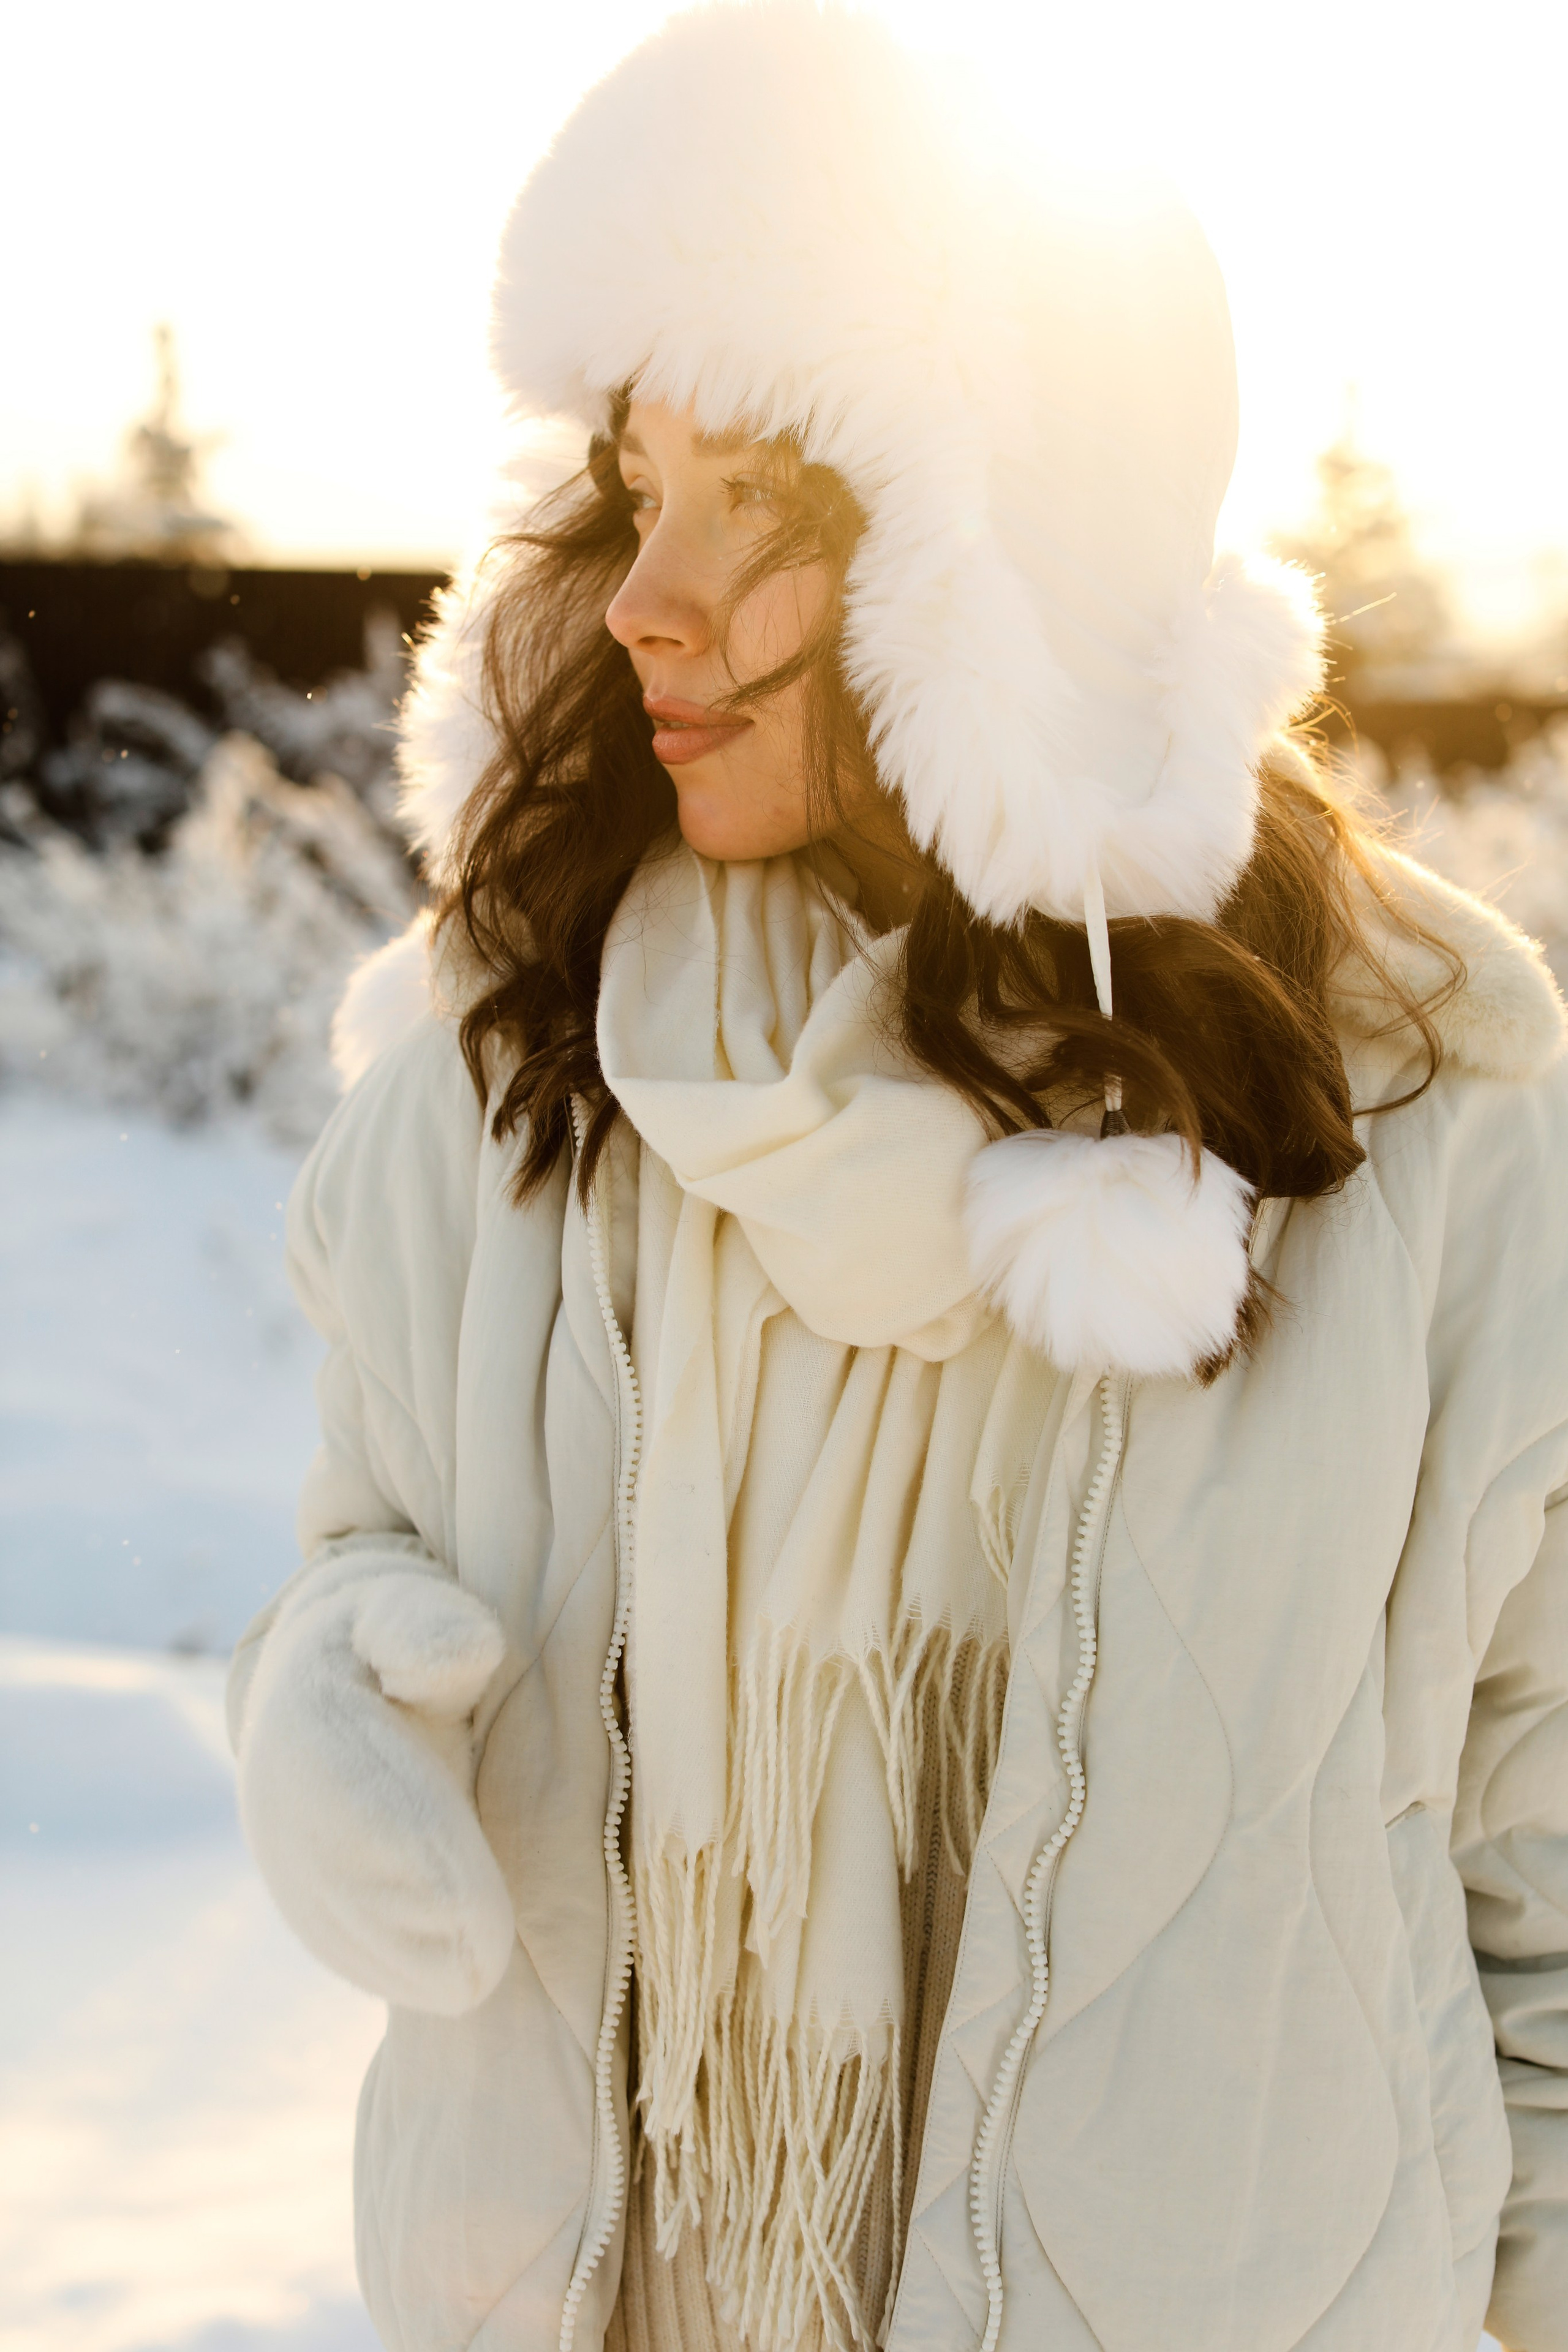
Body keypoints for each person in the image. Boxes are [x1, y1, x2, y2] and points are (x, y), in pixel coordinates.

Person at [226, 9, 1568, 2351]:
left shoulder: (1418, 1100)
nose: (651, 596)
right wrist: (326, 1701)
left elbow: (1540, 1852)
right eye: (642, 488)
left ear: (1013, 550)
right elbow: (370, 1548)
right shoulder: (501, 1063)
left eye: (768, 504)